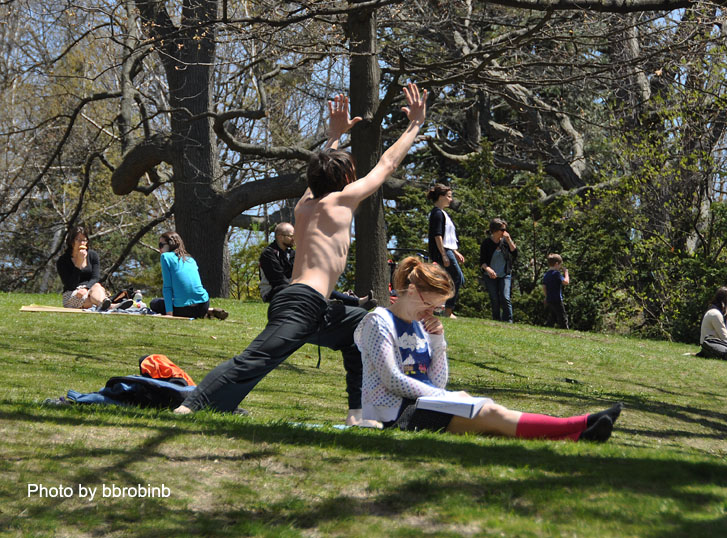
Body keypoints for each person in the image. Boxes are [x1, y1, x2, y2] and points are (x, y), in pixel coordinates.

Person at [174, 83, 429, 421]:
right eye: (349, 174)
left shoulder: (304, 206)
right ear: (344, 180)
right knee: (255, 358)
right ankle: (189, 405)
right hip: (301, 303)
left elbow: (321, 169)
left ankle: (358, 414)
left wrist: (334, 136)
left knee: (362, 330)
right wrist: (415, 125)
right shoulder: (341, 200)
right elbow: (387, 165)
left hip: (314, 305)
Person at [353, 256, 621, 441]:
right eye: (429, 304)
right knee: (492, 415)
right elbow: (391, 379)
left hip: (425, 405)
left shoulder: (423, 326)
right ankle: (582, 423)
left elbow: (437, 380)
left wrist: (438, 341)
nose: (431, 312)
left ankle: (580, 434)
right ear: (411, 290)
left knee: (494, 422)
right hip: (395, 416)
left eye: (436, 307)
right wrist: (446, 397)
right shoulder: (378, 321)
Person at [259, 222, 376, 309]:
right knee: (307, 286)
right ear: (280, 236)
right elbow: (278, 280)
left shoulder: (291, 253)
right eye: (291, 236)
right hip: (273, 291)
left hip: (291, 286)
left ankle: (357, 302)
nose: (294, 239)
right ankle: (329, 303)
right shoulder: (268, 254)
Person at [149, 231, 228, 320]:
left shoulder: (165, 257)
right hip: (203, 305)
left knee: (154, 303)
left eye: (161, 245)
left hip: (183, 309)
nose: (160, 249)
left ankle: (206, 312)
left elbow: (167, 287)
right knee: (179, 300)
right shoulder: (190, 259)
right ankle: (208, 311)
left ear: (170, 244)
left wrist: (169, 314)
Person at [56, 226, 126, 311]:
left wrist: (86, 288)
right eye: (78, 240)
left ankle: (104, 305)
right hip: (73, 293)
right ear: (71, 242)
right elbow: (70, 285)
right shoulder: (63, 260)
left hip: (91, 289)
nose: (82, 243)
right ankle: (109, 306)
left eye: (84, 240)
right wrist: (79, 263)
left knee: (97, 286)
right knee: (92, 299)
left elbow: (95, 277)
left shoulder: (93, 255)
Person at [427, 183, 464, 319]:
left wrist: (455, 252)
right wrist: (444, 255)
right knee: (456, 277)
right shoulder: (436, 213)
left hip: (448, 250)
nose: (451, 199)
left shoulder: (442, 213)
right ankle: (448, 310)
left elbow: (448, 238)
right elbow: (438, 235)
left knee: (456, 279)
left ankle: (438, 305)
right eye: (448, 196)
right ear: (441, 196)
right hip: (442, 252)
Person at [479, 218, 517, 322]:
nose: (505, 232)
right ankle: (496, 320)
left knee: (505, 297)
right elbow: (482, 262)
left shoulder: (505, 242)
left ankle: (509, 321)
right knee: (494, 299)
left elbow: (514, 253)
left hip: (504, 274)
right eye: (502, 229)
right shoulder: (486, 243)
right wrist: (489, 270)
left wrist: (509, 240)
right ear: (495, 230)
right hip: (490, 276)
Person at [542, 253, 569, 329]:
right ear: (557, 264)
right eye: (560, 265)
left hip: (549, 299)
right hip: (557, 299)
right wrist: (566, 273)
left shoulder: (546, 274)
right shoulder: (556, 274)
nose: (560, 267)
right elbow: (566, 282)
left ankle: (548, 328)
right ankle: (565, 330)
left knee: (552, 317)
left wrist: (546, 296)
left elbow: (544, 286)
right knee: (563, 317)